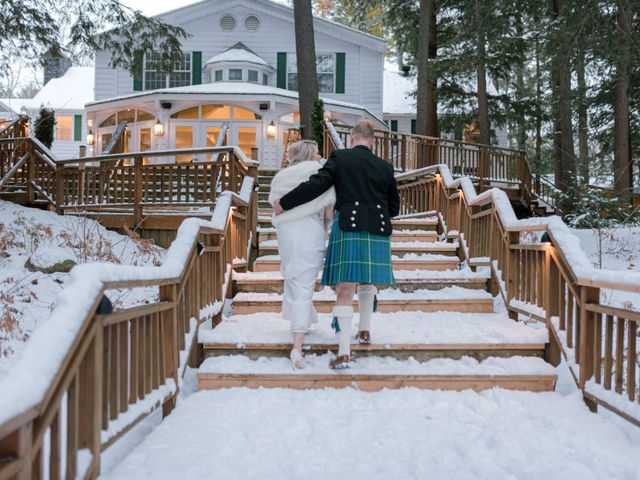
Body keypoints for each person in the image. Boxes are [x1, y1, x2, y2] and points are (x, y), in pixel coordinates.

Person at [274, 120, 400, 369]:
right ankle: (364, 330)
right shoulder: (385, 167)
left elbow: (316, 185)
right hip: (378, 227)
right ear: (373, 141)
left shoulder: (340, 158)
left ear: (352, 137)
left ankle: (344, 351)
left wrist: (285, 202)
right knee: (368, 280)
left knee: (345, 290)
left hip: (349, 226)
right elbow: (393, 208)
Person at [268, 140, 335, 369]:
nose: (320, 155)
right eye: (317, 152)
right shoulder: (320, 175)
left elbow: (275, 206)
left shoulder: (281, 178)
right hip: (310, 232)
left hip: (286, 233)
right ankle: (297, 346)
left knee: (293, 278)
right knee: (305, 286)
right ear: (309, 154)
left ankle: (304, 319)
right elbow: (328, 212)